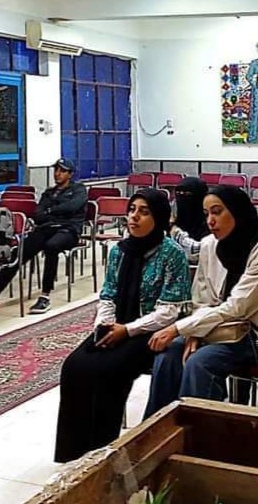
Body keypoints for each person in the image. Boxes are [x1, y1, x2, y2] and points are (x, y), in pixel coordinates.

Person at [55, 189, 190, 462]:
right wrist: (104, 325)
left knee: (108, 370)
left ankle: (102, 452)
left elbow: (169, 312)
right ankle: (73, 453)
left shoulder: (172, 254)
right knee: (74, 366)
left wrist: (127, 330)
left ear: (159, 217)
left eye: (144, 212)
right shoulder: (120, 250)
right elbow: (108, 294)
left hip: (151, 331)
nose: (134, 217)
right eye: (131, 210)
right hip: (117, 326)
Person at [143, 187, 258, 418]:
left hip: (252, 332)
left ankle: (198, 431)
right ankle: (157, 426)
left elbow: (238, 308)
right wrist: (194, 332)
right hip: (212, 327)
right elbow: (200, 298)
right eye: (206, 213)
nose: (210, 221)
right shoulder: (210, 244)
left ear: (237, 212)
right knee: (169, 353)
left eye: (217, 212)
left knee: (200, 362)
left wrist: (181, 328)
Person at [0, 158, 87, 314]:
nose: (57, 174)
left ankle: (45, 296)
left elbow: (72, 207)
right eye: (56, 170)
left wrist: (51, 211)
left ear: (70, 174)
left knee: (51, 247)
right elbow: (38, 215)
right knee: (20, 251)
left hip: (68, 230)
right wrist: (54, 212)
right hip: (46, 229)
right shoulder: (48, 193)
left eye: (62, 171)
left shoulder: (79, 190)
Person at [169, 176, 210, 263]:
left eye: (187, 193)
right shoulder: (173, 223)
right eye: (178, 193)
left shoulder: (211, 224)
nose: (181, 197)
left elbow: (202, 251)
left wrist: (175, 231)